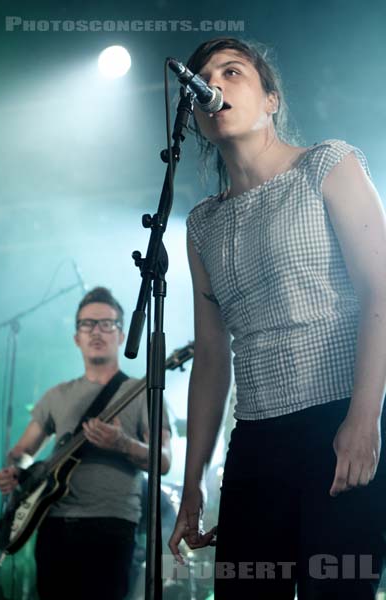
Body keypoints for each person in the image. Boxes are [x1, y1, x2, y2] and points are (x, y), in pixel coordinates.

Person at [168, 37, 386, 599]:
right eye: (204, 78)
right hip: (257, 439)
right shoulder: (201, 226)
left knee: (336, 589)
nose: (214, 84)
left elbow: (379, 293)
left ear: (271, 99)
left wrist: (363, 419)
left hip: (338, 417)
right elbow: (212, 358)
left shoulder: (327, 165)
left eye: (233, 71)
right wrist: (193, 484)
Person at [0, 286, 172, 600]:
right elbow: (22, 453)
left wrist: (122, 444)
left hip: (112, 525)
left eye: (107, 324)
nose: (96, 331)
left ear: (121, 335)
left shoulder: (144, 391)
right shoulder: (56, 394)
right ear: (76, 337)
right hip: (53, 524)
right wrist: (15, 470)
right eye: (87, 324)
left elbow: (165, 461)